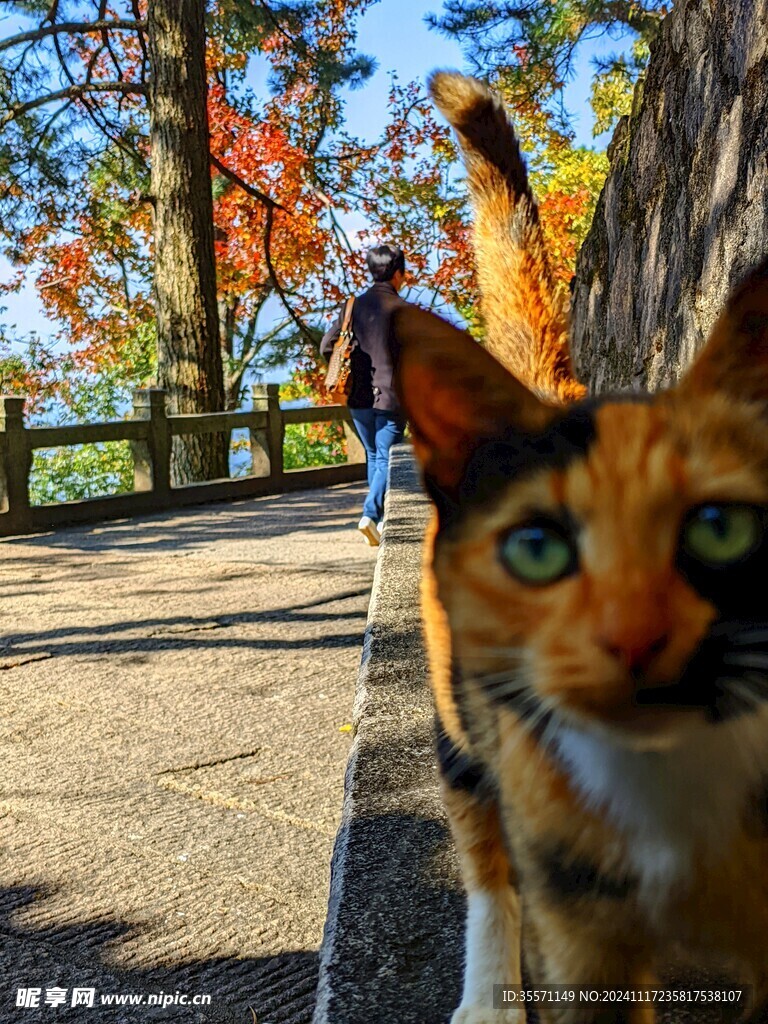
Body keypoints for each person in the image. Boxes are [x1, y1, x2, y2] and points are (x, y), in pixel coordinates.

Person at [321, 243, 411, 547]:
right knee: (386, 457)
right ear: (399, 273)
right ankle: (371, 515)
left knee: (374, 455)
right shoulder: (403, 311)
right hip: (391, 398)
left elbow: (326, 347)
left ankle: (380, 520)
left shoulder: (352, 306)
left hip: (359, 397)